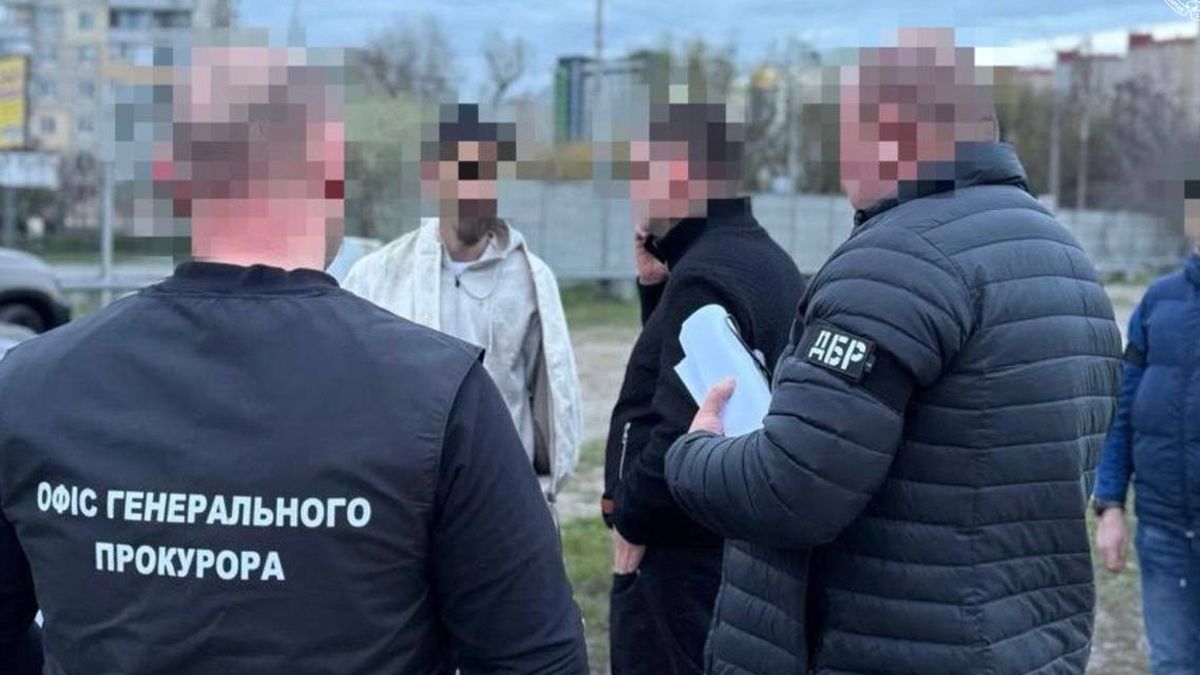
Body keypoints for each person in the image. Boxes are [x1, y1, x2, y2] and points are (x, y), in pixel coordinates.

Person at [0, 45, 587, 675]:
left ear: (171, 178)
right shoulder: (442, 398)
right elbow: (536, 660)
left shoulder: (28, 389)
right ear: (332, 175)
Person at [665, 29, 1123, 674]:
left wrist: (695, 452)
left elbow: (792, 490)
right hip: (1023, 649)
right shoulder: (1068, 260)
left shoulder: (894, 260)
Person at [602, 101, 805, 675]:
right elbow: (683, 373)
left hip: (684, 563)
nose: (635, 187)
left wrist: (632, 519)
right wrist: (656, 288)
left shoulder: (705, 276)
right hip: (735, 554)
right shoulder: (762, 258)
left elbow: (682, 428)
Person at [344, 103, 581, 504]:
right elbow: (351, 388)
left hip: (499, 491)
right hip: (406, 494)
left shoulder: (530, 278)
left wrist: (541, 491)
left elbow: (553, 396)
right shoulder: (378, 275)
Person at [1093, 179, 1200, 675]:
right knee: (1173, 663)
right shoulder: (1157, 302)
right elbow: (1122, 408)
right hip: (1163, 531)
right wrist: (1111, 505)